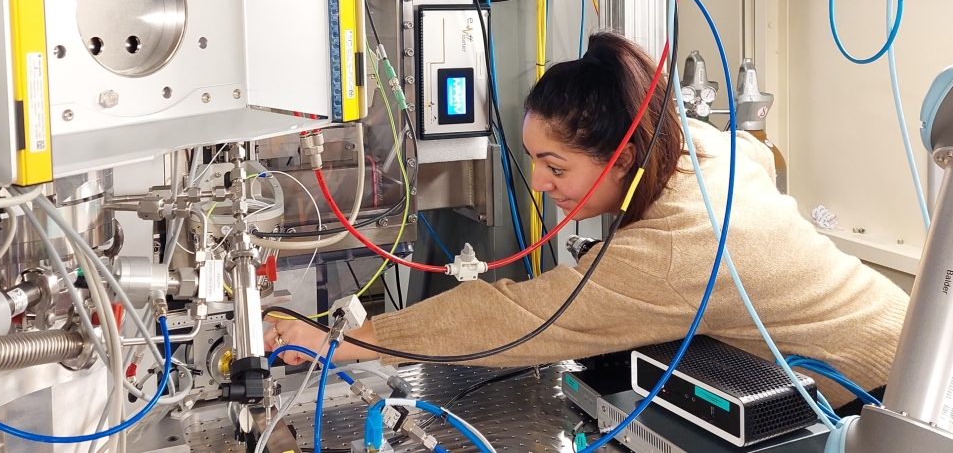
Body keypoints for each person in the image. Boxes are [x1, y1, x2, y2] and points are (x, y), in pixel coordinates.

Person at [266, 31, 909, 411]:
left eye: (556, 166)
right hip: (913, 328)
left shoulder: (680, 253)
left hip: (894, 388)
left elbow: (515, 317)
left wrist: (341, 342)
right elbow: (760, 153)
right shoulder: (702, 146)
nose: (542, 185)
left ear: (624, 156)